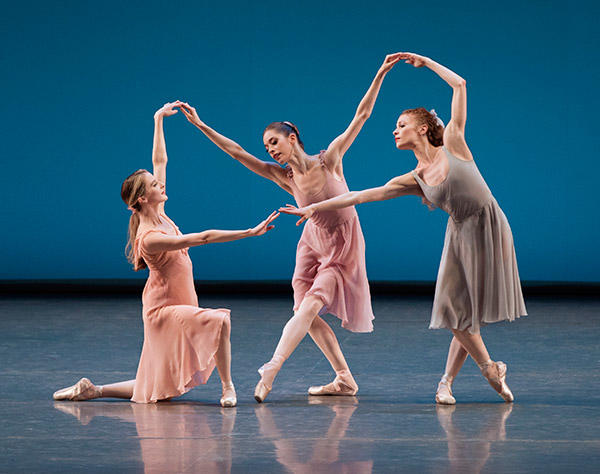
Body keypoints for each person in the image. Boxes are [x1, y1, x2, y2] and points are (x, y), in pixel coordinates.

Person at [280, 53, 527, 404]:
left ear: (422, 129)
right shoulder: (414, 178)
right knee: (454, 313)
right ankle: (488, 369)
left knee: (470, 315)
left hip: (488, 226)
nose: (394, 130)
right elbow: (361, 196)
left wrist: (426, 63)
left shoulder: (454, 142)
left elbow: (459, 84)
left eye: (401, 125)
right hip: (459, 235)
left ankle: (449, 382)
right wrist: (314, 206)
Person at [177, 53, 404, 402]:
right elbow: (237, 153)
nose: (271, 150)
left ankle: (271, 368)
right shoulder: (284, 177)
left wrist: (380, 73)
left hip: (341, 246)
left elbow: (362, 115)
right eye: (267, 146)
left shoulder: (330, 159)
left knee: (312, 307)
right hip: (311, 244)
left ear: (293, 137)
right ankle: (344, 378)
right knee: (305, 312)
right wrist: (201, 125)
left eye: (274, 142)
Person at [53, 101, 279, 407]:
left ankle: (93, 390)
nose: (161, 184)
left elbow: (160, 160)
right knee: (220, 321)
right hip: (162, 310)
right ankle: (228, 388)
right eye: (155, 185)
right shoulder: (150, 238)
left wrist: (158, 120)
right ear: (145, 197)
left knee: (160, 385)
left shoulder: (157, 210)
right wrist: (249, 233)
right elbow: (204, 237)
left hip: (179, 298)